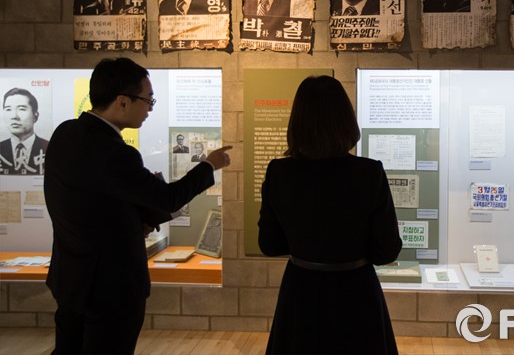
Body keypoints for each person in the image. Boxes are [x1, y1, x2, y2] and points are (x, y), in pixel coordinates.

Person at [44, 58, 232, 354]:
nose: (150, 108)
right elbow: (169, 198)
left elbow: (89, 203)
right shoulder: (115, 153)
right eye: (148, 99)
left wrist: (132, 223)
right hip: (111, 286)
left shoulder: (65, 134)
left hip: (70, 279)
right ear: (122, 101)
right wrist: (209, 165)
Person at [258, 75, 402, 354]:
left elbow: (270, 244)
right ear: (346, 120)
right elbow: (386, 251)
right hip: (356, 292)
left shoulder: (280, 172)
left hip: (301, 291)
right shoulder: (369, 172)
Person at [0, 88, 50, 175]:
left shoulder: (48, 147)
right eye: (8, 109)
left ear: (35, 116)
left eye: (21, 109)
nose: (14, 116)